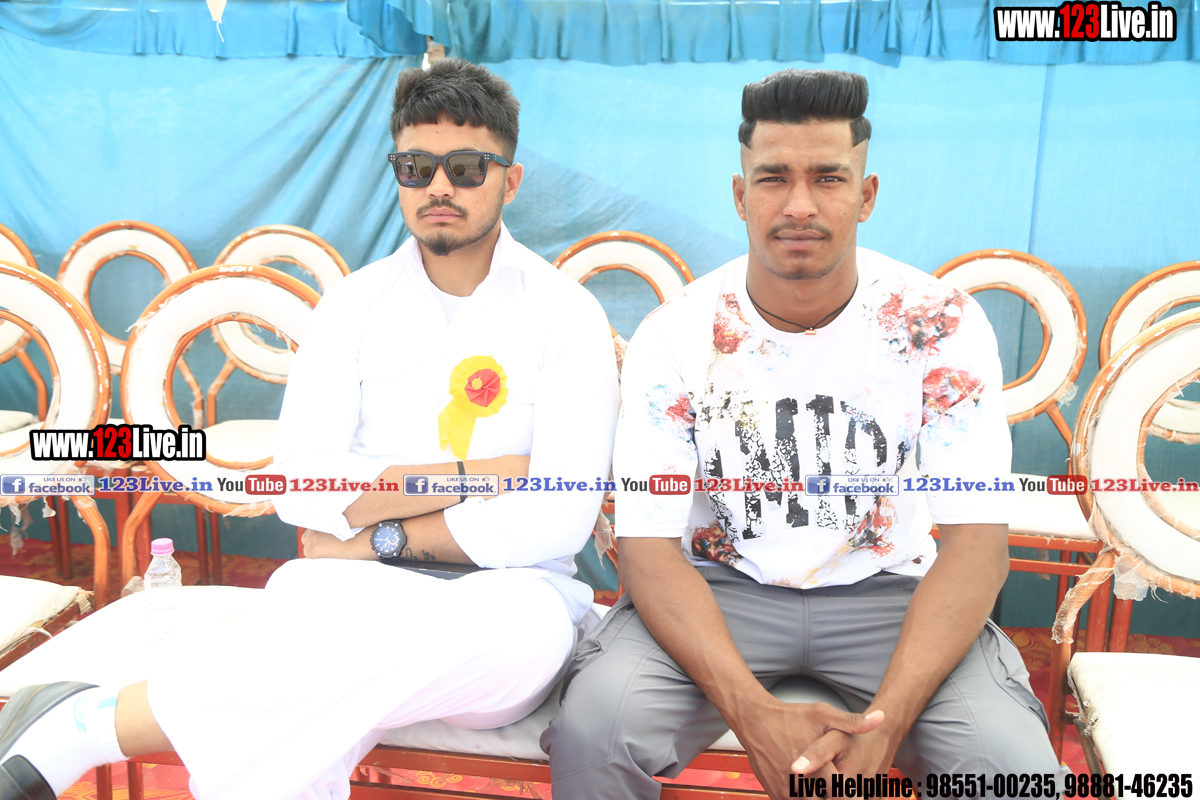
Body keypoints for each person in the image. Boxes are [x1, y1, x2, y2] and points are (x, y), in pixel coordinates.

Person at [0, 59, 618, 800]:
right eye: (416, 167)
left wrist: (372, 528)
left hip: (508, 599)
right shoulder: (352, 306)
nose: (438, 187)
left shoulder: (564, 315)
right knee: (314, 675)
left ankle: (90, 725)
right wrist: (474, 479)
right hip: (350, 585)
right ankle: (79, 728)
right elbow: (300, 484)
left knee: (507, 645)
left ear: (509, 181)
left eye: (465, 167)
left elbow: (557, 516)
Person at [542, 68, 1060, 799]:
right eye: (774, 178)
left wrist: (888, 721)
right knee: (596, 733)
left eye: (828, 178)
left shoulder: (938, 323)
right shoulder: (678, 334)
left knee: (1010, 769)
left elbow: (977, 542)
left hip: (890, 592)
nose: (800, 205)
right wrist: (751, 714)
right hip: (717, 588)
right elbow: (648, 546)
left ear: (867, 195)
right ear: (739, 194)